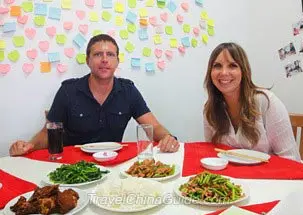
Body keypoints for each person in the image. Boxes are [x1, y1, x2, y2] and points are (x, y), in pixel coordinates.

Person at [10, 34, 179, 156]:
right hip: (73, 166)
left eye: (110, 55)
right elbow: (48, 133)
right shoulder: (68, 91)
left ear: (117, 61)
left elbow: (154, 127)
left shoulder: (128, 91)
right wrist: (29, 145)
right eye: (98, 54)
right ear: (88, 60)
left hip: (113, 162)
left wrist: (167, 138)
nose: (104, 60)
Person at [203, 42, 301, 162]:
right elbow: (212, 153)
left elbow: (290, 159)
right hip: (232, 177)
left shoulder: (266, 102)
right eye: (217, 65)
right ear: (210, 72)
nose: (223, 72)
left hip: (271, 177)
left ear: (244, 71)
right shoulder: (210, 109)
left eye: (232, 65)